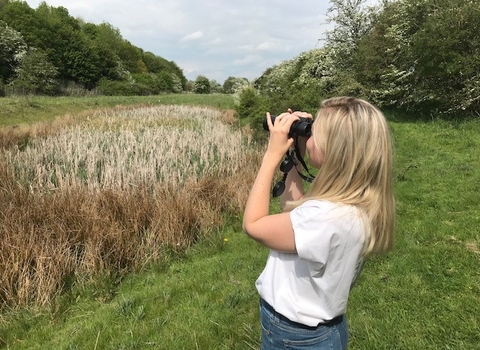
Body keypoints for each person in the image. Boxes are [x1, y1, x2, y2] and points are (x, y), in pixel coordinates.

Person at [242, 96, 395, 349]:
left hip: (296, 336)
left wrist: (271, 155)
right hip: (309, 331)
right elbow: (294, 210)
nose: (309, 138)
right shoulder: (348, 206)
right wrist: (295, 153)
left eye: (314, 134)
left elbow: (254, 224)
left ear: (336, 150)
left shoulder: (326, 217)